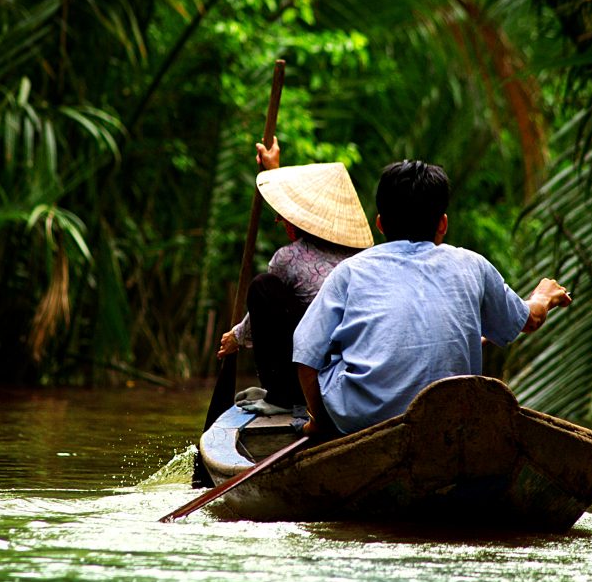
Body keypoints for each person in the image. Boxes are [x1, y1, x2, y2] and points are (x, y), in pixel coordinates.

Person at [292, 159, 572, 435]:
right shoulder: (472, 265)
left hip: (361, 421)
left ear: (380, 224)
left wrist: (321, 423)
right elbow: (529, 320)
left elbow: (306, 353)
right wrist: (543, 295)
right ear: (442, 224)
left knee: (331, 351)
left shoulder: (350, 271)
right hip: (450, 417)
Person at [217, 139, 373, 415]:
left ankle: (280, 397)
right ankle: (285, 393)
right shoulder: (366, 256)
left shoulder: (288, 257)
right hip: (360, 369)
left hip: (315, 373)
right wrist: (273, 169)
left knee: (263, 287)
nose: (280, 220)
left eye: (285, 218)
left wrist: (236, 338)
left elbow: (261, 314)